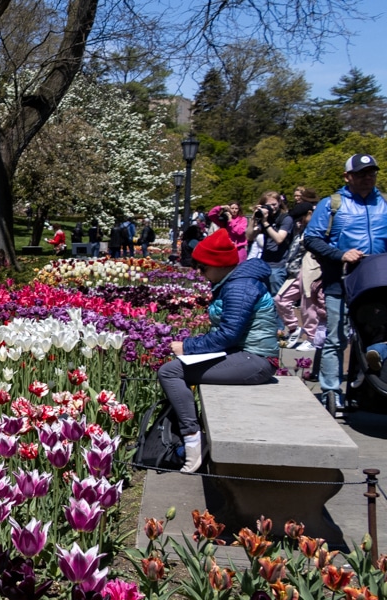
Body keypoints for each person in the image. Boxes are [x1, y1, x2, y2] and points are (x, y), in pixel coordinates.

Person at [157, 229, 279, 473]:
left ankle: (192, 442)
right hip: (246, 354)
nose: (200, 274)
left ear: (219, 264)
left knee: (170, 373)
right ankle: (192, 439)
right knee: (172, 369)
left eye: (203, 268)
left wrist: (188, 346)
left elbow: (229, 334)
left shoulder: (239, 287)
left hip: (256, 360)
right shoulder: (235, 282)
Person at [304, 153, 387, 413]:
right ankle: (331, 390)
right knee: (336, 336)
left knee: (378, 333)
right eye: (361, 173)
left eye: (371, 173)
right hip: (340, 279)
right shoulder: (332, 205)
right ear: (347, 176)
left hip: (376, 281)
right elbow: (312, 239)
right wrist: (341, 254)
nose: (367, 178)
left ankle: (369, 383)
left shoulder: (383, 204)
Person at [273, 201, 320, 351]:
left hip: (311, 268)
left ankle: (312, 338)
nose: (298, 223)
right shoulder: (301, 229)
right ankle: (294, 328)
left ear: (310, 214)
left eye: (301, 219)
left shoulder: (318, 228)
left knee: (308, 305)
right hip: (295, 271)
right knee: (281, 299)